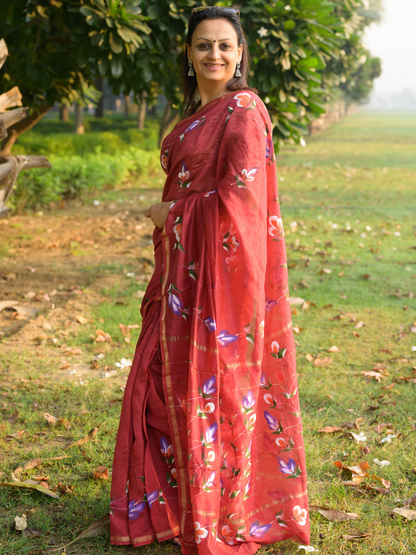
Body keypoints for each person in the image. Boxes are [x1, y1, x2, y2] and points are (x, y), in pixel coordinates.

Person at [110, 6, 310, 555]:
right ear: (188, 53)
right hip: (179, 276)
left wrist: (169, 214)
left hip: (219, 284)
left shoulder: (243, 110)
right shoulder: (201, 112)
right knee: (155, 385)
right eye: (203, 45)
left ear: (241, 52)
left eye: (225, 45)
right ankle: (174, 507)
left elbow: (240, 205)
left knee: (213, 390)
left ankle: (218, 507)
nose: (214, 55)